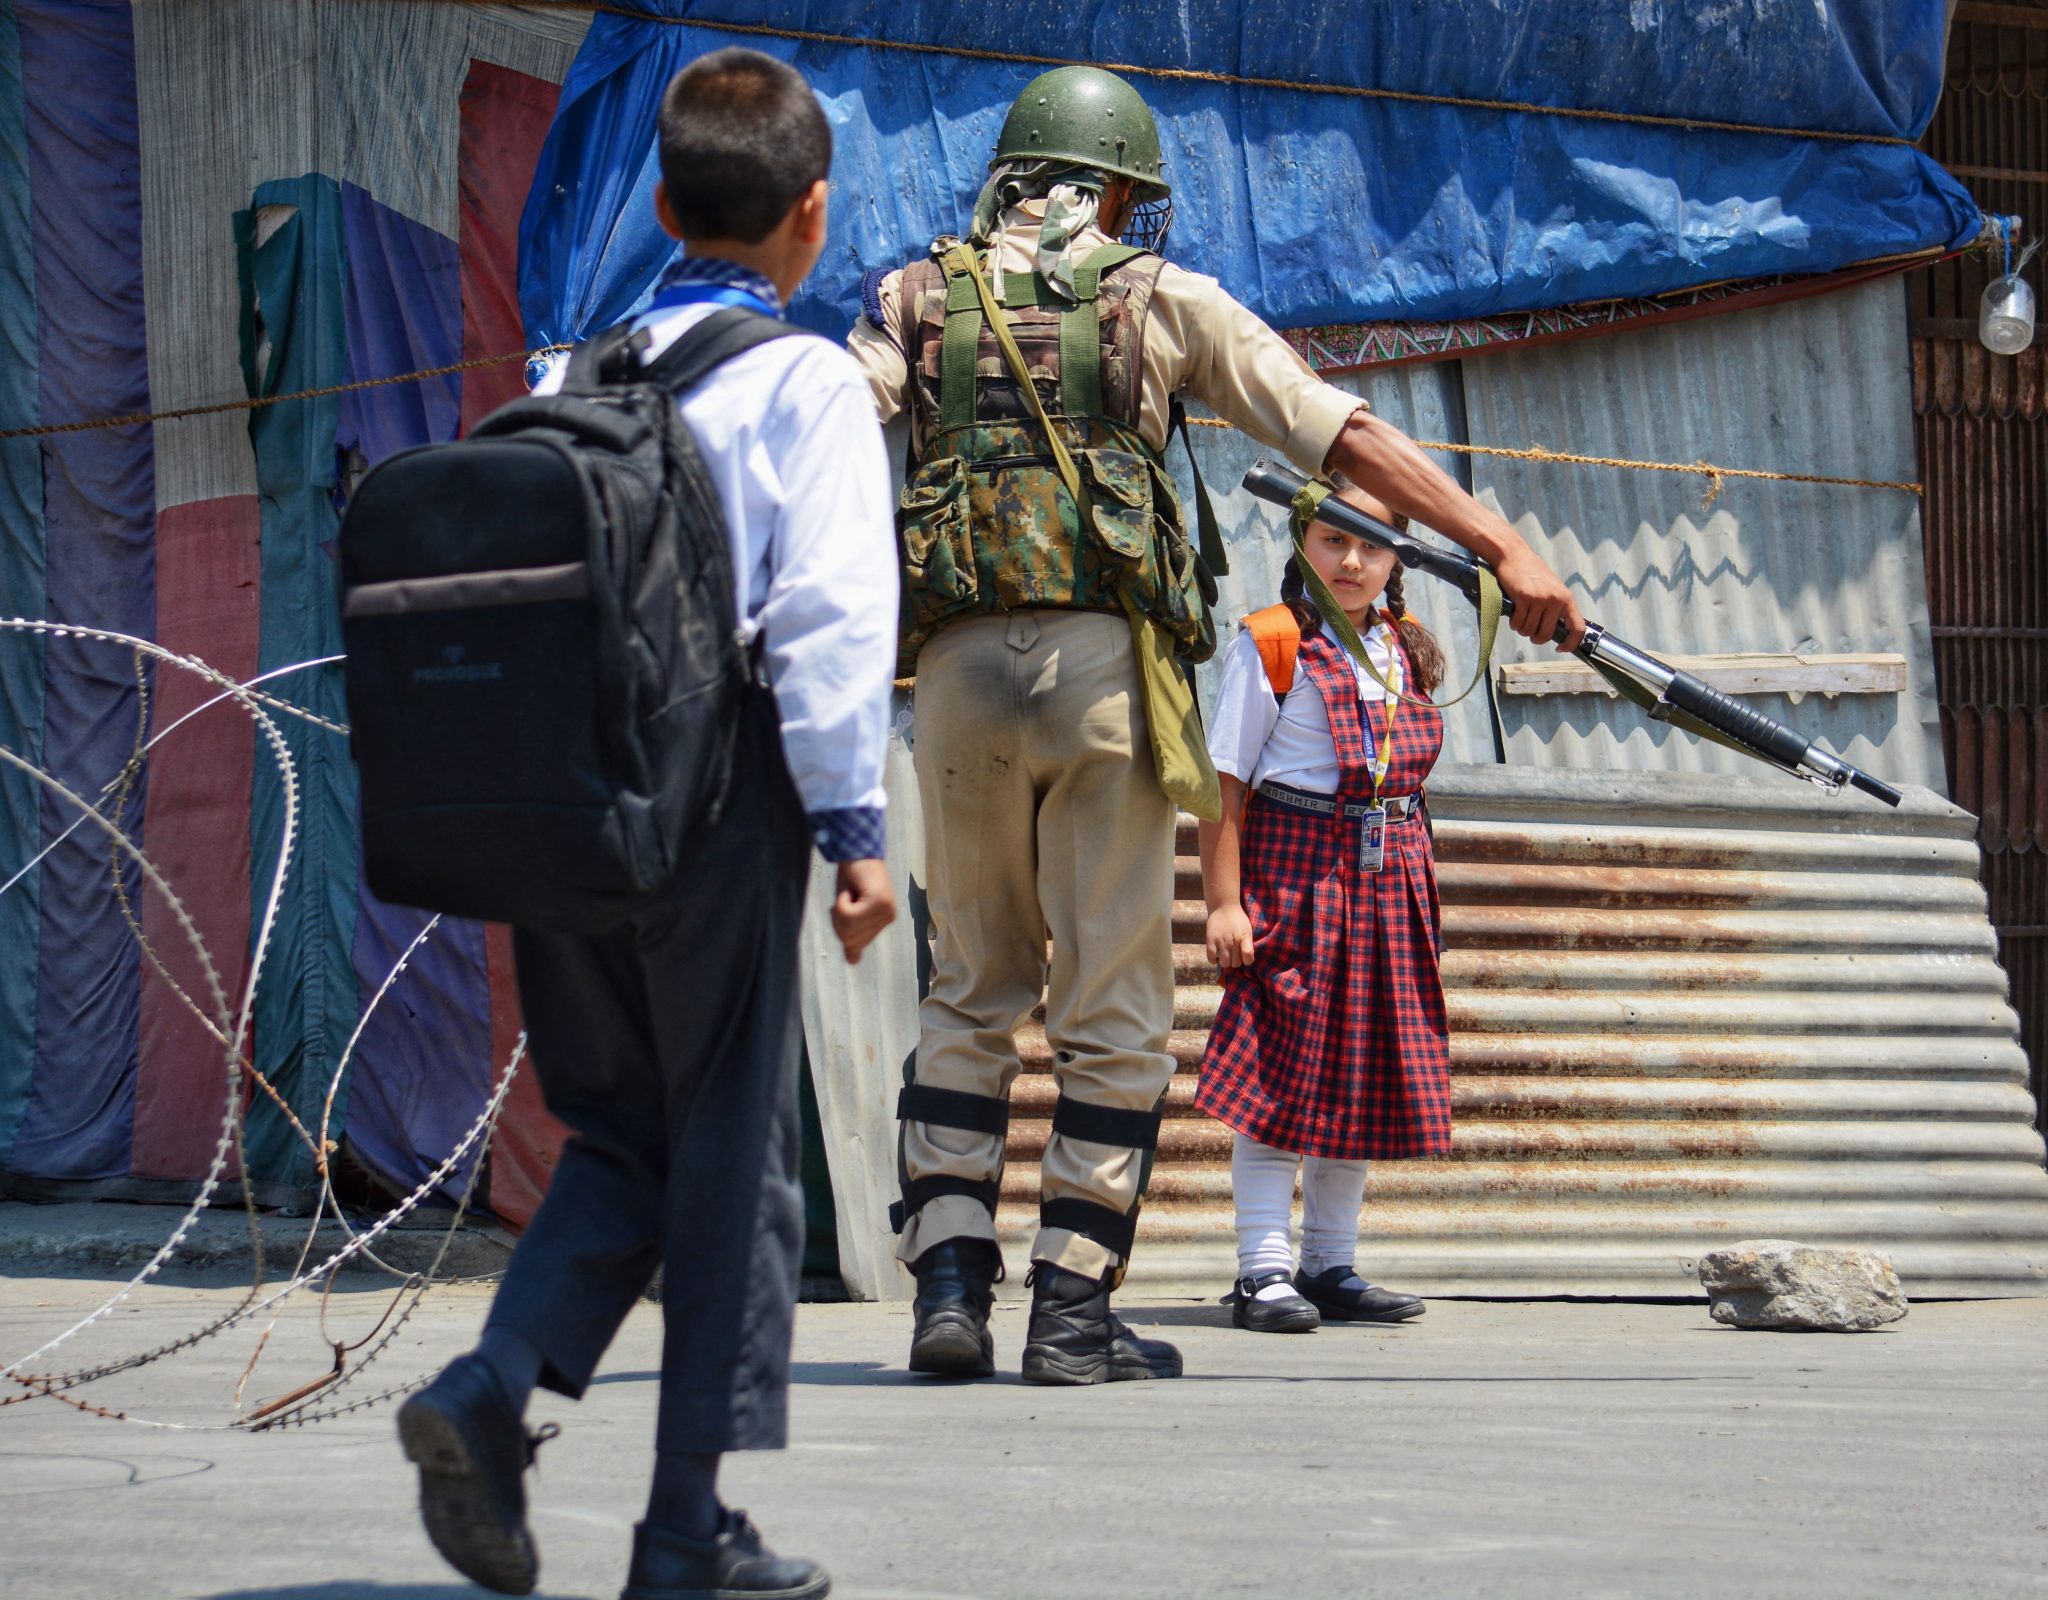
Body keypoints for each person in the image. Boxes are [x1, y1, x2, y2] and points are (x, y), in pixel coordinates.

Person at [846, 63, 1582, 1386]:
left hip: (951, 678)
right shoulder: (1159, 297)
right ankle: (1071, 1314)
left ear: (1012, 177)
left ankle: (948, 1291)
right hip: (1108, 681)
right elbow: (1335, 433)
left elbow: (835, 456)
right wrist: (1498, 543)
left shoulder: (912, 297)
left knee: (969, 987)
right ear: (1119, 187)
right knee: (1113, 1007)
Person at [397, 49, 897, 1600]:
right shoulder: (805, 380)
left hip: (563, 813)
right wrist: (854, 824)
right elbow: (822, 622)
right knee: (734, 1158)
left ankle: (492, 1386)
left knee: (618, 1131)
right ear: (812, 218)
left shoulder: (566, 378)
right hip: (715, 806)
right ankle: (686, 1530)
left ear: (666, 205)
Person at [1198, 490, 1447, 1333]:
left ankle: (1330, 1265)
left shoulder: (1402, 647)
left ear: (1396, 560)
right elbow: (1223, 782)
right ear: (1302, 544)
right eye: (1332, 541)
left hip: (1388, 882)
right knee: (1279, 1082)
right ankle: (1262, 1271)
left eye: (1371, 547)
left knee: (1356, 1081)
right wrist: (1224, 903)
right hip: (1295, 879)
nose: (1351, 562)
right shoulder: (1271, 643)